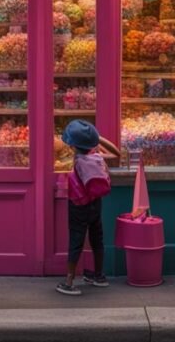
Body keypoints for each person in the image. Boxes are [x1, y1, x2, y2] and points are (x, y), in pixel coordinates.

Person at [56, 120, 115, 296]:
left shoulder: (77, 161)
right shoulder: (97, 158)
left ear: (73, 145)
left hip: (78, 205)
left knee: (76, 240)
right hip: (96, 203)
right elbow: (115, 153)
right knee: (97, 238)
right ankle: (99, 276)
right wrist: (96, 139)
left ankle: (68, 281)